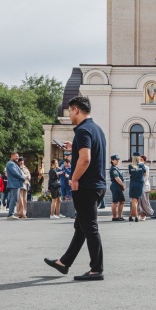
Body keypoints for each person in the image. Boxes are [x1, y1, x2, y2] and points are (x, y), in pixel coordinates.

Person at [44, 96, 107, 281]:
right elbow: (90, 152)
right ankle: (64, 263)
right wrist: (74, 147)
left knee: (90, 227)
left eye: (70, 111)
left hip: (86, 186)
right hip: (97, 185)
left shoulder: (82, 130)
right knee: (81, 227)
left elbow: (85, 159)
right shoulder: (97, 129)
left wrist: (74, 178)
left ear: (76, 110)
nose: (69, 114)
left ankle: (96, 269)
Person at [5, 152, 25, 220]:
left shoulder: (13, 163)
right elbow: (15, 173)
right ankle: (10, 214)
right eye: (16, 156)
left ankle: (11, 214)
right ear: (12, 156)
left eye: (18, 156)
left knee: (14, 199)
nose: (17, 158)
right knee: (14, 199)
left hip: (15, 184)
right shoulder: (11, 164)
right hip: (14, 184)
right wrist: (22, 178)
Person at [128, 152, 145, 222]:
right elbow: (145, 173)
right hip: (139, 183)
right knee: (136, 200)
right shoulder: (142, 165)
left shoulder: (130, 166)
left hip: (133, 183)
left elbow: (130, 174)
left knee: (134, 200)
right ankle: (136, 216)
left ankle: (132, 216)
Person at [109, 155, 126, 221]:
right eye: (116, 160)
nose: (117, 161)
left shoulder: (116, 168)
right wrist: (123, 185)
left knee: (121, 201)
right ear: (112, 160)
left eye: (118, 160)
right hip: (116, 185)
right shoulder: (113, 169)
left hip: (117, 186)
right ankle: (115, 217)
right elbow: (117, 178)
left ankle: (119, 216)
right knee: (115, 201)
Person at [137, 155, 154, 221]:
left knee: (145, 201)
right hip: (138, 186)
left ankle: (145, 214)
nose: (140, 161)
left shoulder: (146, 167)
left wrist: (140, 182)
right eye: (139, 159)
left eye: (141, 159)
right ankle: (139, 213)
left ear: (144, 161)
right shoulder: (137, 167)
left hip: (144, 186)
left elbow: (146, 177)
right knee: (139, 201)